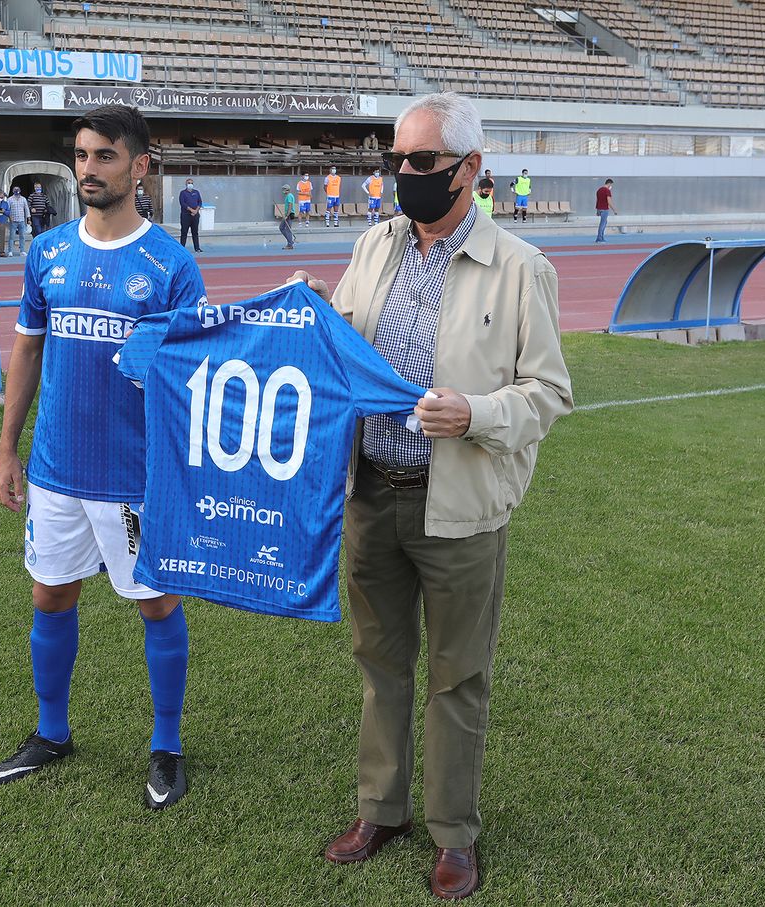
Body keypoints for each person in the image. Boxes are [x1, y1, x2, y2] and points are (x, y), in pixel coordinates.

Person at [297, 93, 571, 901]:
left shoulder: (521, 267)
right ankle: (380, 810)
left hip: (459, 505)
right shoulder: (373, 243)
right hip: (371, 494)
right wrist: (314, 311)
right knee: (379, 662)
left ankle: (455, 833)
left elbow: (548, 392)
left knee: (457, 676)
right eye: (398, 160)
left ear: (470, 169)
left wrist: (476, 413)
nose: (405, 174)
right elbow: (345, 348)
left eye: (422, 161)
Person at [0, 104, 207, 810]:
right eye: (81, 155)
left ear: (139, 166)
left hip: (134, 475)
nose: (88, 168)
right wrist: (8, 450)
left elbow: (190, 376)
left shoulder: (171, 265)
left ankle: (167, 746)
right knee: (50, 593)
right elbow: (27, 350)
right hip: (56, 468)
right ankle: (52, 732)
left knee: (157, 602)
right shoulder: (47, 252)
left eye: (104, 156)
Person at [178, 178, 202, 252]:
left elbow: (200, 202)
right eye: (189, 183)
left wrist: (196, 211)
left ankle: (197, 248)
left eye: (191, 183)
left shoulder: (196, 192)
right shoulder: (183, 193)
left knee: (195, 232)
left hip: (195, 215)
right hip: (186, 215)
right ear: (186, 184)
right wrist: (191, 210)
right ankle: (182, 248)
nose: (190, 184)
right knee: (184, 232)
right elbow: (182, 203)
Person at [6, 186, 29, 254]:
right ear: (13, 191)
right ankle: (10, 251)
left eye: (17, 189)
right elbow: (7, 209)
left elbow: (26, 209)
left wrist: (28, 218)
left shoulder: (23, 199)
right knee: (11, 237)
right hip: (13, 221)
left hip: (22, 220)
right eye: (15, 189)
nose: (16, 190)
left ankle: (22, 251)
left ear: (20, 190)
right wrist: (9, 218)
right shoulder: (10, 199)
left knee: (22, 236)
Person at [279, 183, 296, 250]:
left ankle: (290, 244)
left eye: (284, 189)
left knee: (288, 229)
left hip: (289, 214)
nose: (283, 191)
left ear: (287, 190)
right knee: (281, 227)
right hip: (287, 214)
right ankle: (290, 241)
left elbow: (290, 206)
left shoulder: (289, 196)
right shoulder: (288, 196)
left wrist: (287, 215)